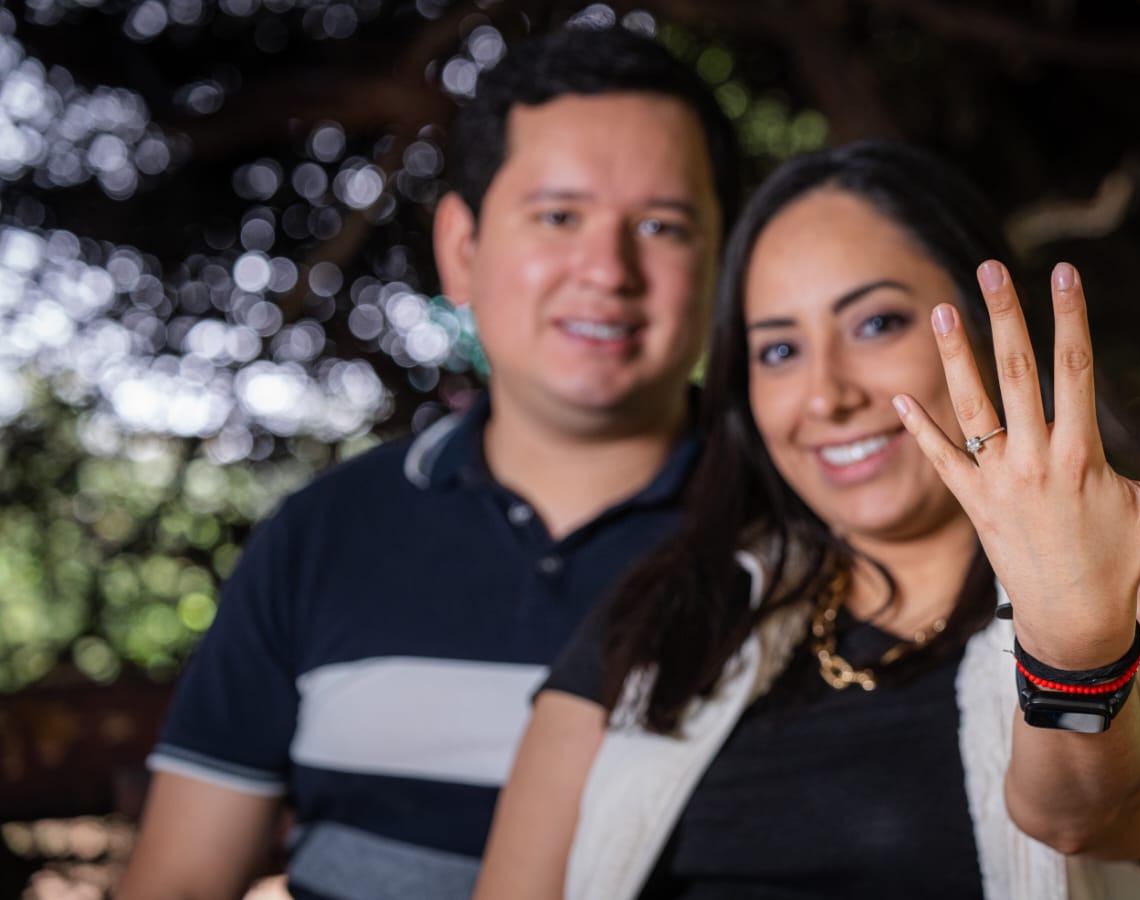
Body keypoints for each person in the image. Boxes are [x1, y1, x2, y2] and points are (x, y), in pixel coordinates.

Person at [474, 141, 1140, 900]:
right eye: (779, 350)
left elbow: (1081, 815)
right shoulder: (670, 610)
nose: (827, 395)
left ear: (984, 331)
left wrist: (1073, 648)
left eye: (876, 323)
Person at [119, 26, 739, 900]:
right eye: (558, 217)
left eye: (660, 225)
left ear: (724, 262)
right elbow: (179, 882)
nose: (608, 270)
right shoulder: (322, 537)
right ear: (462, 250)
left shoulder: (799, 535)